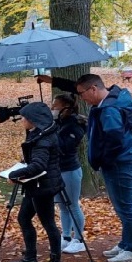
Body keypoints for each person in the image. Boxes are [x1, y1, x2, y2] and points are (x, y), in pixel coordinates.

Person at [76, 73, 132, 262]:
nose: (82, 98)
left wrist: (102, 160)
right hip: (122, 161)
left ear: (94, 89)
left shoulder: (110, 108)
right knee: (121, 206)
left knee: (126, 207)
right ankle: (126, 244)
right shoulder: (112, 101)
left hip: (120, 164)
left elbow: (114, 140)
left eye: (82, 93)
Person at [5, 102, 64, 262]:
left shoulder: (43, 139)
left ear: (33, 120)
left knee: (49, 225)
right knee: (23, 218)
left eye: (24, 117)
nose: (21, 120)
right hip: (35, 185)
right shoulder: (38, 133)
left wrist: (15, 174)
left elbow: (39, 165)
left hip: (43, 187)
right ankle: (30, 259)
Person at [50, 95, 89, 253]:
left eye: (56, 106)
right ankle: (65, 236)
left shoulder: (75, 124)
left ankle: (78, 239)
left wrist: (52, 134)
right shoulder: (58, 123)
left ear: (66, 107)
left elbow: (65, 146)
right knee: (62, 206)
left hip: (70, 170)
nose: (53, 108)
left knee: (72, 205)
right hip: (57, 169)